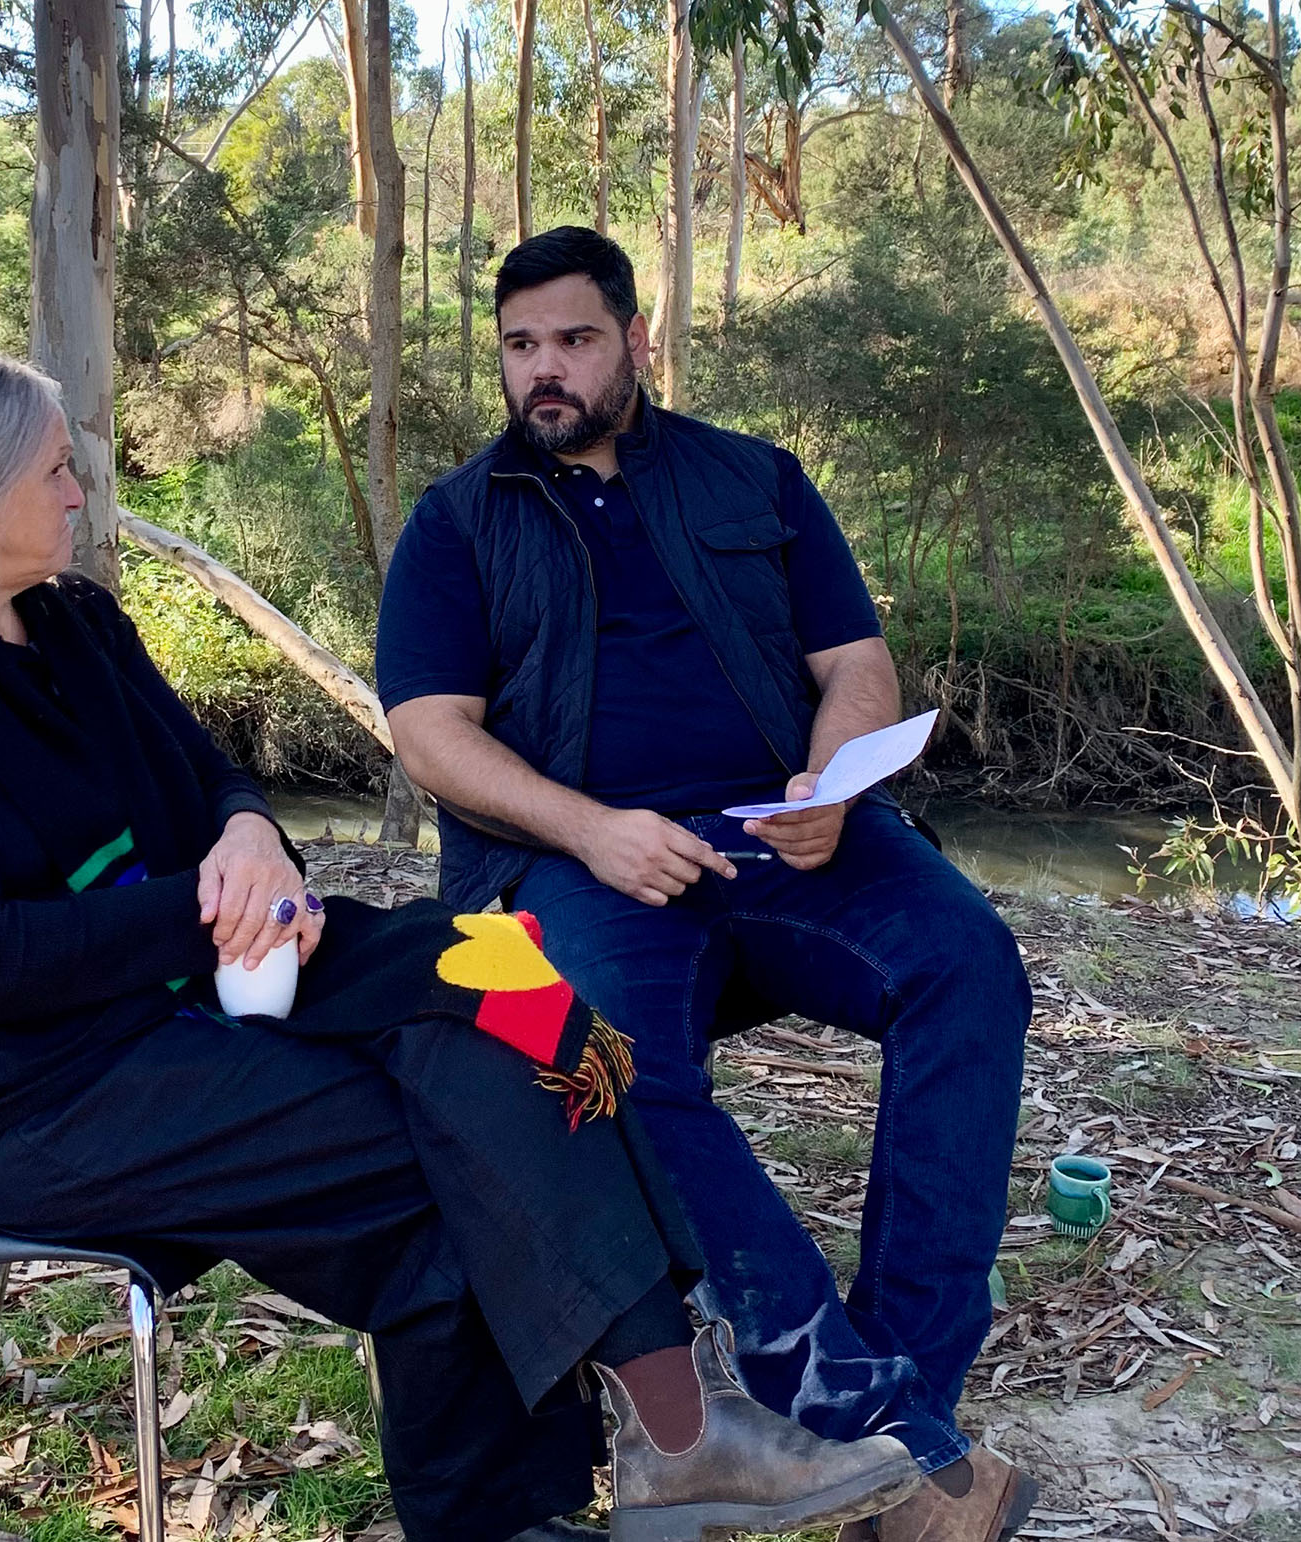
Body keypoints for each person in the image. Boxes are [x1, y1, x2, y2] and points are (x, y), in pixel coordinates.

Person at [0, 342, 928, 1542]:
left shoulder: (76, 625)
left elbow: (210, 777)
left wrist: (251, 835)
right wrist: (212, 907)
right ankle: (648, 1445)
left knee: (507, 980)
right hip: (47, 1095)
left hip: (206, 983)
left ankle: (659, 1428)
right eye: (55, 469)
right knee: (450, 1160)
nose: (76, 493)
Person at [377, 227, 1038, 1542]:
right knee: (603, 1055)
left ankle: (902, 1398)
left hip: (784, 837)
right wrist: (594, 829)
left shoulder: (757, 481)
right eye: (520, 347)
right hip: (581, 860)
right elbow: (431, 734)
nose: (544, 370)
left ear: (635, 339)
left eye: (573, 339)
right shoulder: (458, 523)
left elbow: (856, 662)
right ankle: (878, 1434)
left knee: (970, 967)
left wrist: (830, 785)